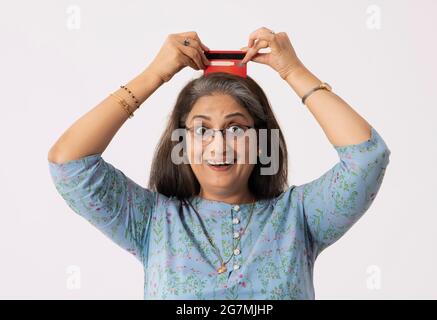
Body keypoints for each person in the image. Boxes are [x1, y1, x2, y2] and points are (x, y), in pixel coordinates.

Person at [48, 28, 391, 299]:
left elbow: (367, 157)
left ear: (261, 140)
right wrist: (155, 74)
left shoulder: (299, 217)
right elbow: (70, 163)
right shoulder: (151, 220)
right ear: (181, 142)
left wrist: (292, 70)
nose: (219, 145)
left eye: (236, 128)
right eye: (201, 130)